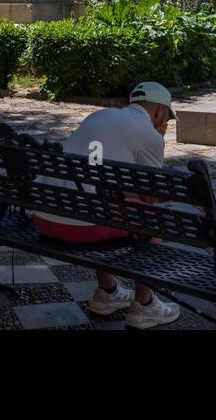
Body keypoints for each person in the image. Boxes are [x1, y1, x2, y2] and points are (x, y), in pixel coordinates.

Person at [32, 82, 180, 329]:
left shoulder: (98, 115)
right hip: (82, 228)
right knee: (153, 217)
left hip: (45, 217)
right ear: (158, 112)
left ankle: (108, 292)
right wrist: (160, 141)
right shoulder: (151, 135)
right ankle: (144, 305)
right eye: (166, 116)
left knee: (97, 197)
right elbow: (151, 197)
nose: (165, 122)